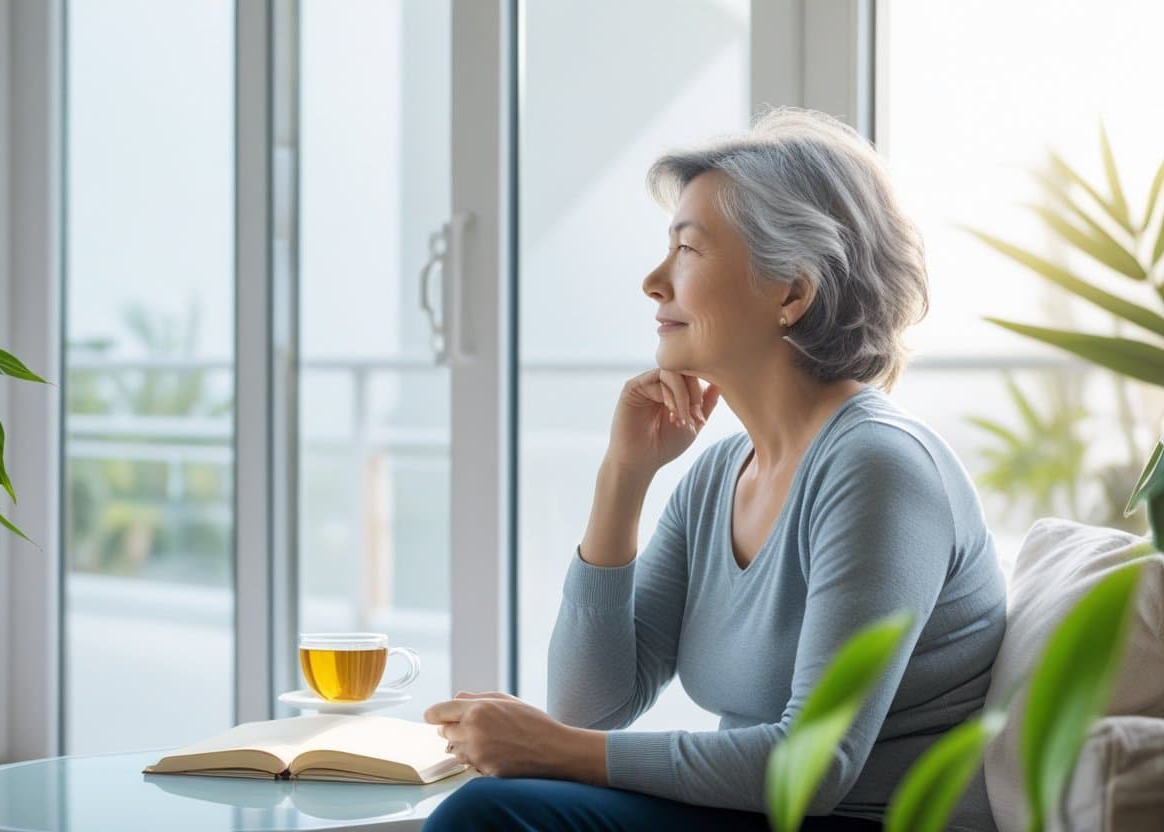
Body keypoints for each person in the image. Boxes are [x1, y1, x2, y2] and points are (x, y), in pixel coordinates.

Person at [422, 107, 1007, 831]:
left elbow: (813, 768)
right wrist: (623, 477)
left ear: (792, 291)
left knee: (494, 812)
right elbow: (592, 704)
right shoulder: (721, 473)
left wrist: (556, 750)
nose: (652, 282)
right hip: (763, 817)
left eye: (688, 251)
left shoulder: (879, 468)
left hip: (860, 820)